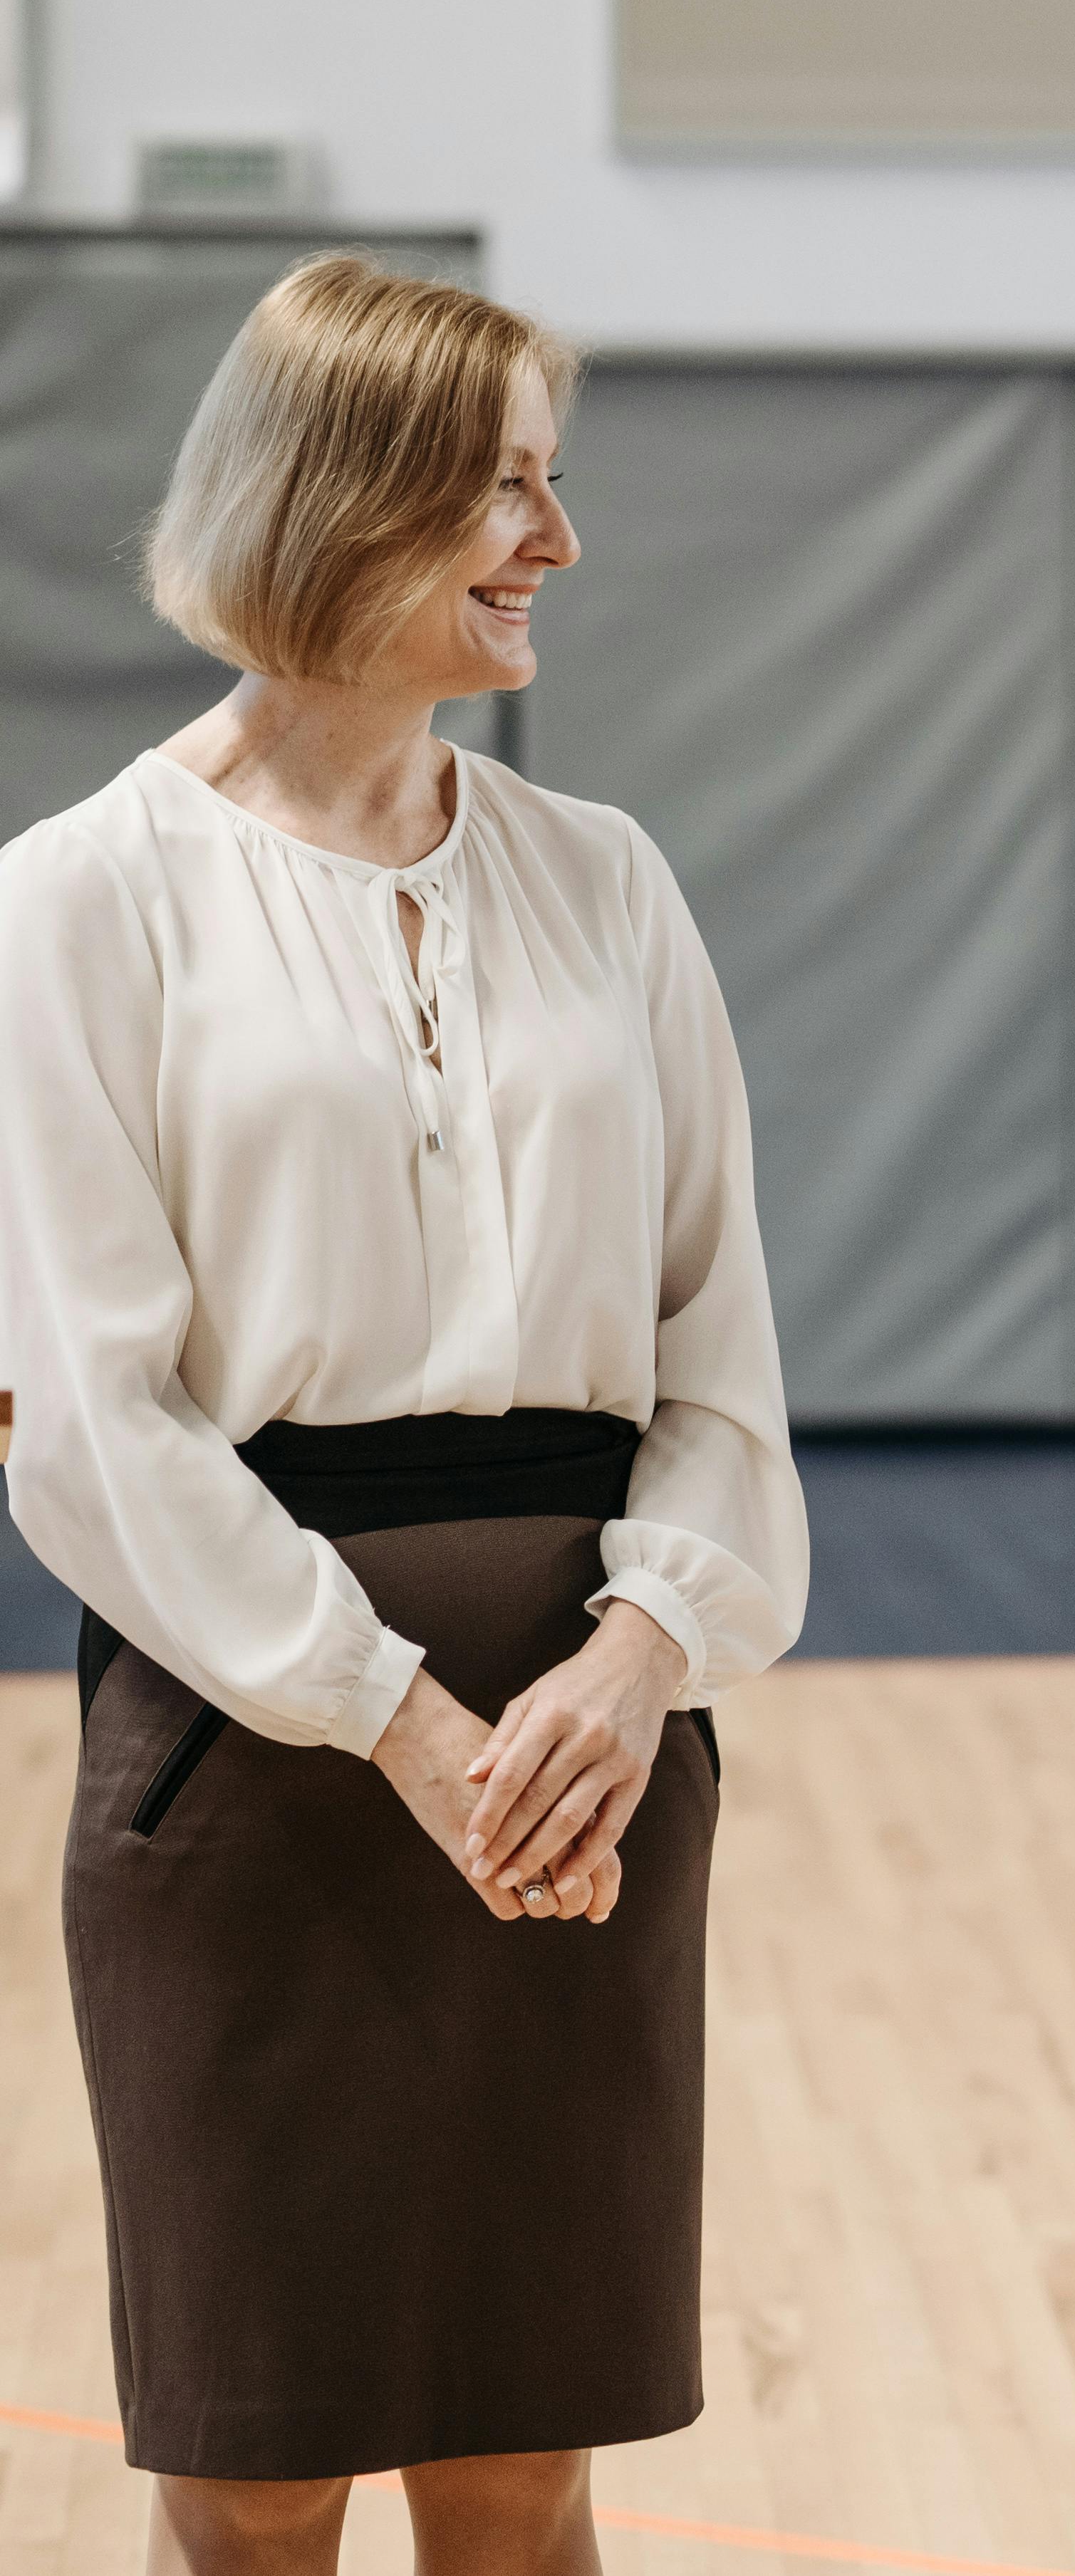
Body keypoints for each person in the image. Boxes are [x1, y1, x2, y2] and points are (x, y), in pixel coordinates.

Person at [0, 256, 807, 2574]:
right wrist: (405, 1724)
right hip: (256, 1776)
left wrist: (641, 1661)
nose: (556, 539)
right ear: (338, 499)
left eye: (555, 483)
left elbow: (722, 1361)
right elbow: (88, 1421)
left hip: (592, 1766)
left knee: (524, 2460)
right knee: (253, 2483)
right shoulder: (85, 901)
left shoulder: (610, 884)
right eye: (507, 487)